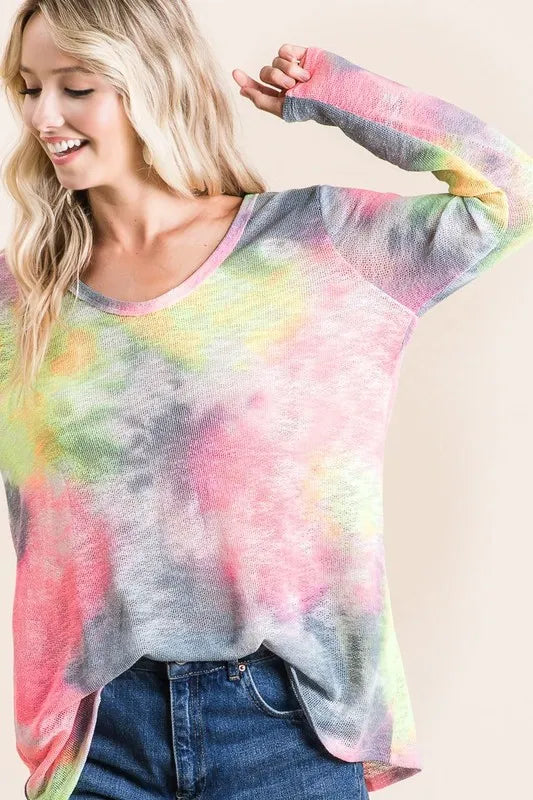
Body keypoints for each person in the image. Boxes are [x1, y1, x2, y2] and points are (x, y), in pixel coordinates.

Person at [0, 1, 531, 798]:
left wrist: (340, 94)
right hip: (96, 744)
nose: (44, 115)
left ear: (154, 81)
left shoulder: (320, 243)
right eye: (27, 87)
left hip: (286, 734)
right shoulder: (20, 298)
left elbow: (509, 196)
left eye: (76, 87)